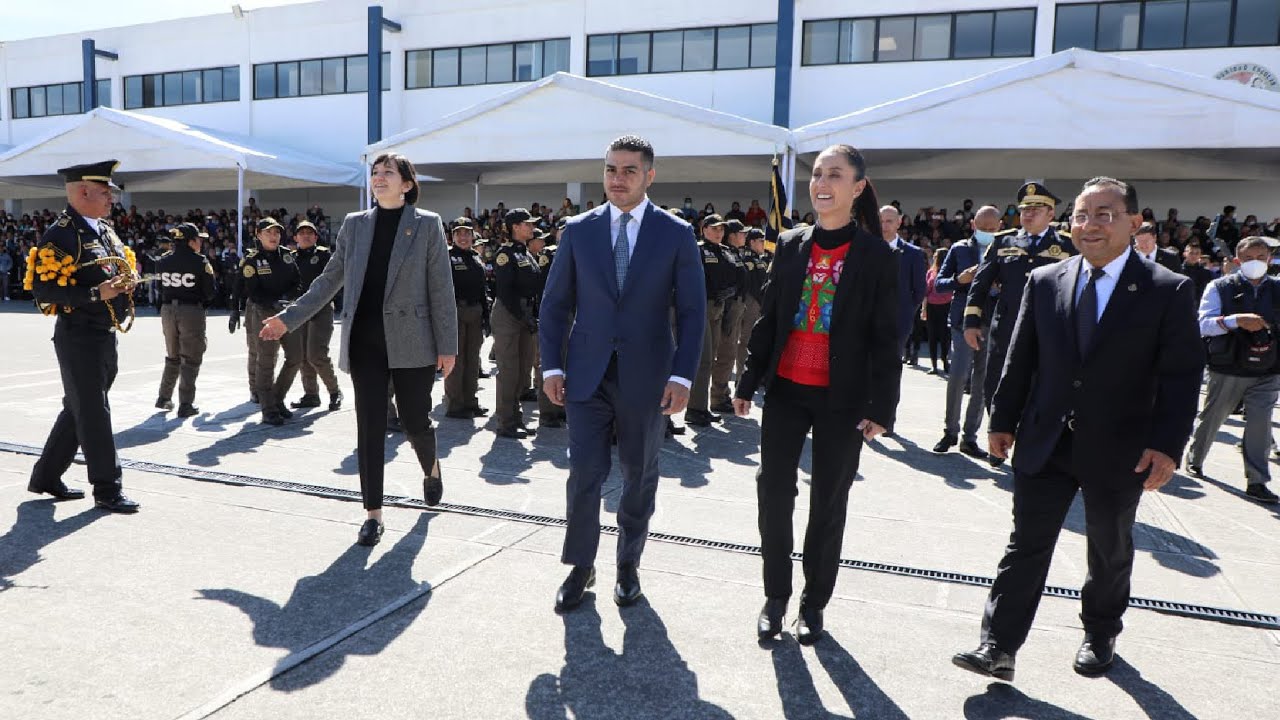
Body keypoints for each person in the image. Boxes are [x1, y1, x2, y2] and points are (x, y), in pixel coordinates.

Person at [953, 177, 1203, 680]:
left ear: (1134, 223)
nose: (1089, 225)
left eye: (1105, 214)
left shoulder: (1167, 289)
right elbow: (1020, 359)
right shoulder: (1046, 281)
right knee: (1027, 542)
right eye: (1082, 215)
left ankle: (1100, 630)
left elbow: (1181, 376)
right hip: (1045, 438)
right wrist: (1002, 420)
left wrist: (1167, 446)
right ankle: (998, 644)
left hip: (1120, 446)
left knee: (1108, 546)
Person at [734, 144, 900, 644]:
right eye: (817, 174)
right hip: (785, 390)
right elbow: (770, 317)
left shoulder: (875, 256)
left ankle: (814, 603)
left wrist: (881, 407)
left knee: (829, 501)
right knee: (774, 493)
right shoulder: (790, 243)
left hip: (842, 399)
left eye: (835, 175)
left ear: (858, 187)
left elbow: (887, 338)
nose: (822, 183)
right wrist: (747, 379)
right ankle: (775, 596)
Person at [539, 135, 705, 613]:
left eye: (630, 170)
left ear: (649, 176)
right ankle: (580, 566)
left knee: (638, 475)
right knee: (584, 474)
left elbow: (692, 313)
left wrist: (683, 377)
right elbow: (554, 307)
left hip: (648, 380)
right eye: (611, 169)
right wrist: (552, 365)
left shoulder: (675, 234)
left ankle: (628, 564)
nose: (618, 178)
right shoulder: (577, 230)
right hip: (585, 377)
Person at [261, 152, 458, 546]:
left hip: (413, 340)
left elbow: (441, 288)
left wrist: (448, 345)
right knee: (369, 426)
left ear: (407, 184)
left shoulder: (427, 224)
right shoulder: (354, 225)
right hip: (365, 340)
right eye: (375, 172)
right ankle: (373, 513)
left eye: (389, 173)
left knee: (416, 421)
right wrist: (290, 317)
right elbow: (329, 279)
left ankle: (431, 468)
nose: (380, 178)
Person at [26, 160, 140, 513]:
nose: (111, 199)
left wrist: (128, 279)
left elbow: (115, 268)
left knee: (79, 406)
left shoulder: (102, 229)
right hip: (78, 336)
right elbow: (44, 291)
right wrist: (95, 294)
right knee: (94, 412)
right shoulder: (60, 234)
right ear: (82, 192)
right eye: (106, 193)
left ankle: (45, 476)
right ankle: (108, 488)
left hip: (104, 333)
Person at [964, 182, 1076, 464]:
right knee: (996, 386)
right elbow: (981, 283)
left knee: (1038, 390)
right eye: (1025, 209)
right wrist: (972, 321)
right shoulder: (1004, 241)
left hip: (1048, 333)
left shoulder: (1066, 244)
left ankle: (1027, 443)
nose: (1028, 214)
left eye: (1036, 209)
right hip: (1007, 330)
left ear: (1050, 214)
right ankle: (998, 434)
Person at [1184, 237, 1280, 504]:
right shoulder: (1220, 287)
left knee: (1260, 424)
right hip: (1229, 367)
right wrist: (1235, 321)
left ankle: (1257, 481)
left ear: (1270, 259)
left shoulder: (1277, 289)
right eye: (1249, 258)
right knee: (1213, 417)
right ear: (1237, 261)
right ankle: (1196, 457)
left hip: (1268, 368)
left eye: (1262, 257)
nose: (1256, 263)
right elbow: (1203, 324)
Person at [933, 207, 1001, 458]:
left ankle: (969, 438)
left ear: (1001, 225)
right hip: (962, 321)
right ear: (973, 224)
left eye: (993, 229)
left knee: (982, 382)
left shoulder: (1006, 250)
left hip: (992, 321)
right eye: (983, 228)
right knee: (958, 376)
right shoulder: (959, 248)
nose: (988, 233)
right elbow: (940, 284)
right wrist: (959, 280)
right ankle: (950, 431)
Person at [231, 217, 303, 425]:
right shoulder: (252, 260)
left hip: (287, 313)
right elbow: (252, 291)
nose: (274, 236)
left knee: (296, 357)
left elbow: (297, 283)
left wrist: (288, 299)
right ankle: (268, 408)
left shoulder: (288, 256)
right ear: (259, 235)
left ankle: (277, 398)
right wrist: (235, 310)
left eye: (277, 233)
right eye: (268, 233)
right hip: (263, 312)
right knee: (266, 361)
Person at [154, 222, 215, 417]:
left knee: (173, 355)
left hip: (167, 310)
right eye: (199, 240)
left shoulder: (163, 261)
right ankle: (185, 404)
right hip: (191, 311)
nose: (201, 244)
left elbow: (158, 287)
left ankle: (164, 397)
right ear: (191, 241)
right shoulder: (200, 262)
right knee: (191, 358)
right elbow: (210, 291)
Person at [491, 208, 542, 438]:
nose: (531, 228)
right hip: (509, 314)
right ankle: (506, 422)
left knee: (522, 370)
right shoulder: (506, 253)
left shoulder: (524, 252)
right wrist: (522, 317)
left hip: (524, 313)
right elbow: (504, 291)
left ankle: (516, 417)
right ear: (515, 227)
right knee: (509, 370)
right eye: (527, 224)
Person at [685, 214, 735, 427]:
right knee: (703, 360)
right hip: (702, 306)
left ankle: (701, 406)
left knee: (712, 356)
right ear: (703, 229)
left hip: (720, 306)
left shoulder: (725, 251)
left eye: (721, 229)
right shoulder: (698, 249)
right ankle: (695, 409)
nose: (718, 232)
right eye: (714, 228)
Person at [290, 220, 343, 411]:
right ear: (295, 238)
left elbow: (331, 281)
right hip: (299, 310)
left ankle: (335, 391)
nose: (305, 236)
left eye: (309, 233)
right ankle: (311, 394)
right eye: (301, 233)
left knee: (317, 354)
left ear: (315, 237)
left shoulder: (323, 255)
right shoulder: (291, 257)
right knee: (303, 355)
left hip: (320, 309)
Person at [443, 218, 490, 419]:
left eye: (467, 233)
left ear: (473, 236)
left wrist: (486, 316)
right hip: (456, 312)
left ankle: (471, 401)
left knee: (472, 360)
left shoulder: (476, 257)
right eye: (459, 234)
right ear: (452, 237)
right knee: (457, 360)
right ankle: (455, 404)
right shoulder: (447, 257)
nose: (463, 237)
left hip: (475, 312)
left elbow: (482, 289)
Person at [880, 206, 927, 365]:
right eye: (881, 221)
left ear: (898, 223)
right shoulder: (866, 250)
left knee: (890, 369)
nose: (884, 226)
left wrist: (905, 311)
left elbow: (920, 290)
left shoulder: (914, 254)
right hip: (868, 321)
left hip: (898, 322)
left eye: (889, 221)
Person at [710, 219, 748, 413]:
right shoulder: (725, 252)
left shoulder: (734, 253)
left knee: (730, 352)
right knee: (726, 352)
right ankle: (717, 396)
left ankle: (721, 394)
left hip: (738, 304)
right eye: (742, 233)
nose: (745, 236)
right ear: (732, 235)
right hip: (728, 305)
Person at [736, 227, 768, 379]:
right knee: (746, 339)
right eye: (761, 241)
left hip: (759, 302)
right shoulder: (748, 260)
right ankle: (742, 375)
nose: (764, 244)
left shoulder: (759, 259)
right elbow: (752, 285)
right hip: (752, 302)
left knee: (757, 339)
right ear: (752, 242)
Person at [923, 248, 952, 375]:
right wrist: (924, 309)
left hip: (946, 306)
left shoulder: (949, 272)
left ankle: (944, 361)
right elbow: (926, 292)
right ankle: (935, 364)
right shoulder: (931, 272)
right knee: (933, 336)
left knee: (944, 336)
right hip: (933, 306)